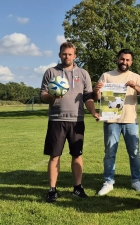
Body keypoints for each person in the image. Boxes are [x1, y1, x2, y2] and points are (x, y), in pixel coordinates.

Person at [40, 42, 100, 203]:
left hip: (77, 120)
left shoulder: (83, 73)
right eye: (64, 53)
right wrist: (52, 96)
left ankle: (78, 188)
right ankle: (52, 190)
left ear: (75, 56)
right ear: (60, 54)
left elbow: (88, 97)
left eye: (70, 54)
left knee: (77, 155)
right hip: (57, 120)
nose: (67, 56)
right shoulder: (51, 72)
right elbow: (43, 95)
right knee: (54, 156)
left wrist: (93, 112)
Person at [93, 49, 140, 196]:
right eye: (122, 59)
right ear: (117, 59)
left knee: (135, 154)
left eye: (127, 60)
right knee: (110, 153)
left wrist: (135, 86)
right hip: (112, 121)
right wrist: (97, 89)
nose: (124, 62)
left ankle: (136, 181)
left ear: (131, 62)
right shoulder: (106, 75)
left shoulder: (136, 77)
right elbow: (98, 97)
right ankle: (108, 181)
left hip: (131, 120)